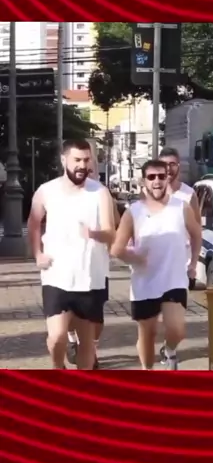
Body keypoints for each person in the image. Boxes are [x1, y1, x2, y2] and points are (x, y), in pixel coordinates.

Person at [27, 139, 116, 370]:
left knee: (87, 343)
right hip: (56, 276)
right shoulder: (47, 190)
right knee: (57, 337)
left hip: (90, 277)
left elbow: (110, 233)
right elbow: (34, 223)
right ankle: (58, 368)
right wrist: (37, 254)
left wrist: (93, 234)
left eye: (86, 160)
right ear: (63, 160)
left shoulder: (100, 192)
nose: (82, 165)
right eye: (77, 160)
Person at [110, 158, 202, 370]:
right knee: (147, 334)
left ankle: (169, 350)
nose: (157, 181)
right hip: (145, 283)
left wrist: (193, 263)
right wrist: (135, 258)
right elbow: (116, 249)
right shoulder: (133, 212)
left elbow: (197, 235)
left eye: (161, 176)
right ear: (144, 181)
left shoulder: (181, 207)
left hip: (174, 280)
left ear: (167, 179)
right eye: (151, 177)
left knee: (177, 329)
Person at [66, 169, 121, 369]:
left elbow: (116, 224)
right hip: (69, 265)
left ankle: (91, 349)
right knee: (71, 312)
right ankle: (72, 338)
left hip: (96, 265)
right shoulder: (62, 193)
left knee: (96, 316)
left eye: (90, 169)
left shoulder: (102, 194)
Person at [159, 146, 202, 289]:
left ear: (178, 166)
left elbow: (197, 233)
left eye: (172, 164)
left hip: (181, 265)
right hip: (156, 265)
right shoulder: (150, 194)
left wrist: (193, 264)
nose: (168, 169)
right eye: (164, 165)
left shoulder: (188, 194)